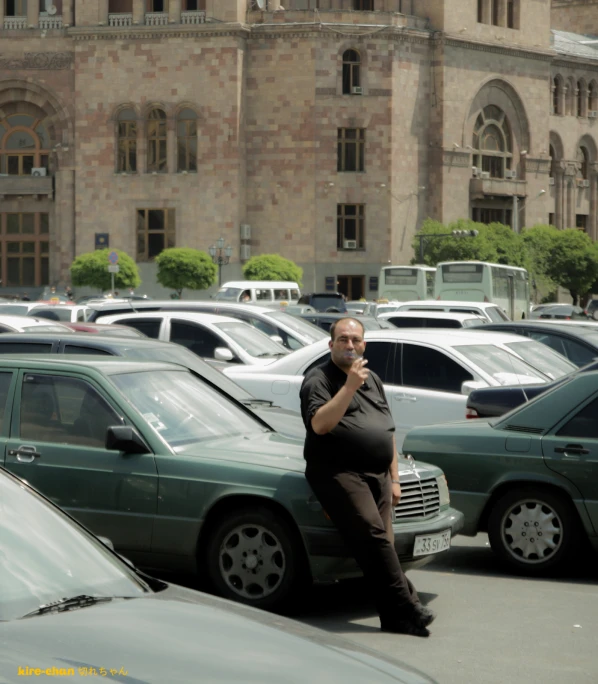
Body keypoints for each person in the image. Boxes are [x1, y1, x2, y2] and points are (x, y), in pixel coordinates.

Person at [299, 318, 435, 637]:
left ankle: (394, 619)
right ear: (330, 344)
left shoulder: (371, 378)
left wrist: (395, 477)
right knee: (374, 537)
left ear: (364, 345)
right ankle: (409, 604)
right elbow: (319, 425)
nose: (350, 345)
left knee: (378, 546)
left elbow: (386, 429)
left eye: (355, 340)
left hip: (378, 475)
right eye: (343, 339)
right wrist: (348, 387)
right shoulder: (317, 379)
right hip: (338, 472)